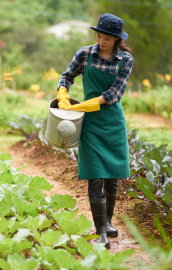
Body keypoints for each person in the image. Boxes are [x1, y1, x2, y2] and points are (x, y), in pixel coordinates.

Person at [56, 13, 133, 249]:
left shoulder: (125, 60)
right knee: (94, 174)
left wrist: (81, 105)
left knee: (112, 174)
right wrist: (62, 93)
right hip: (89, 124)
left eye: (106, 39)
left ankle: (108, 222)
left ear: (117, 40)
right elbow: (66, 76)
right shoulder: (84, 54)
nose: (101, 41)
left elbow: (113, 95)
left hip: (111, 121)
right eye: (98, 36)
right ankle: (100, 231)